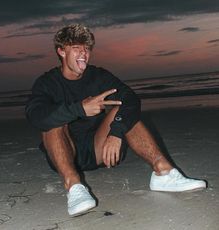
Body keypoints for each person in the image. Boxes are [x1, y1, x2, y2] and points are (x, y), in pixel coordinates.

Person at [25, 24, 206, 216]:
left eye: (86, 48)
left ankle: (163, 173)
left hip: (98, 150)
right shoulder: (47, 83)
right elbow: (35, 115)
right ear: (61, 51)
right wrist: (80, 109)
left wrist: (116, 132)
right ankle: (74, 186)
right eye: (76, 47)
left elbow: (131, 99)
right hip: (63, 155)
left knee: (125, 110)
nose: (83, 53)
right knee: (51, 121)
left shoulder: (98, 76)